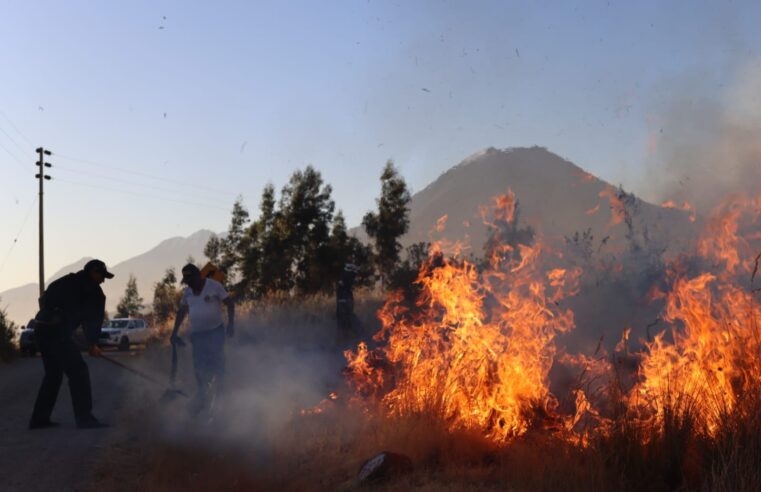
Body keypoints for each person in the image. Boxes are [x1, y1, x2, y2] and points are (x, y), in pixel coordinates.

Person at [29, 259, 113, 429]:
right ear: (93, 273)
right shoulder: (94, 292)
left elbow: (42, 300)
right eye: (101, 276)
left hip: (41, 329)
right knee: (79, 371)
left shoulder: (63, 281)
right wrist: (93, 344)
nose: (103, 280)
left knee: (53, 374)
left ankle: (39, 419)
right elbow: (93, 321)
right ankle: (84, 418)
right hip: (57, 333)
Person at [170, 263, 234, 416]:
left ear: (199, 275)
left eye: (191, 279)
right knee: (199, 367)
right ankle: (203, 396)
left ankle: (220, 399)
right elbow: (181, 312)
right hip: (198, 335)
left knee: (217, 364)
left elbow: (230, 304)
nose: (189, 283)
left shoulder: (214, 286)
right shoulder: (187, 292)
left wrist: (231, 324)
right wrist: (174, 333)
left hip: (216, 332)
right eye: (187, 280)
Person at [336, 263, 357, 343]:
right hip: (343, 313)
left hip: (346, 313)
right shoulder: (343, 285)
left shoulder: (346, 286)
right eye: (353, 274)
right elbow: (342, 301)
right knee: (343, 332)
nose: (353, 278)